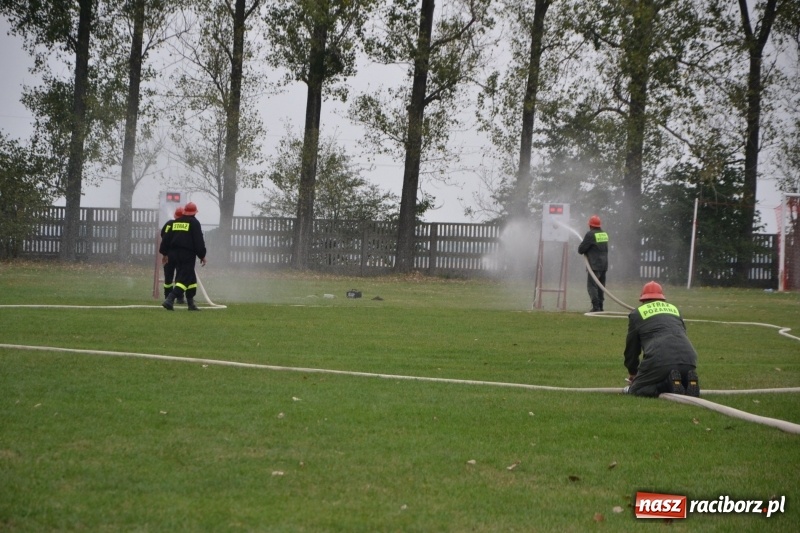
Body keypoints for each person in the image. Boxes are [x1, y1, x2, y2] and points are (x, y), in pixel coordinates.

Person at [623, 281, 700, 397]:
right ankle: (687, 382)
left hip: (659, 360)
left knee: (637, 390)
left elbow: (632, 349)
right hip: (689, 360)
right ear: (662, 298)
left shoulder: (637, 314)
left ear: (643, 299)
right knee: (677, 375)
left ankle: (667, 384)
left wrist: (633, 372)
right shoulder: (675, 310)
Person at [162, 202, 207, 311]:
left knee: (191, 278)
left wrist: (164, 253)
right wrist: (202, 255)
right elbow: (198, 240)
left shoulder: (176, 222)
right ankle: (170, 299)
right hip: (187, 254)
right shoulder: (194, 223)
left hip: (174, 254)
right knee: (185, 278)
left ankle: (191, 304)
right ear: (195, 212)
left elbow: (166, 238)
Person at [577, 214, 609, 312]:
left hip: (594, 265)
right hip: (604, 265)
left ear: (590, 225)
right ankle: (600, 306)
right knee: (601, 287)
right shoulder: (604, 234)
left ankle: (596, 307)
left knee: (592, 286)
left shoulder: (590, 234)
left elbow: (581, 249)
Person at [158, 206, 185, 304]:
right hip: (180, 255)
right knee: (180, 276)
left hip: (169, 254)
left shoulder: (169, 224)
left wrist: (164, 254)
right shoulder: (185, 226)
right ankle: (179, 298)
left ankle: (168, 297)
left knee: (168, 277)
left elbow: (163, 236)